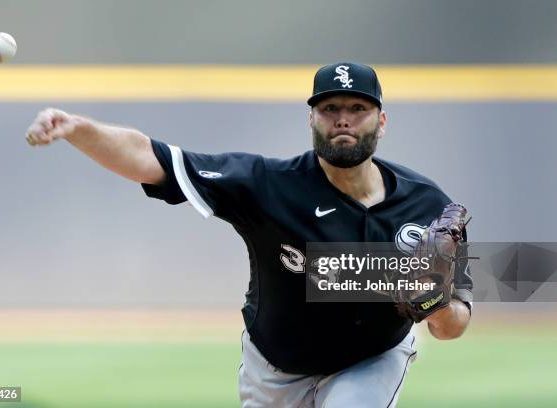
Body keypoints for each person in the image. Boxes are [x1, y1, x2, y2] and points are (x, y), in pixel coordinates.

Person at [26, 62, 473, 407]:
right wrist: (79, 130)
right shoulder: (266, 184)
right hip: (274, 366)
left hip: (372, 357)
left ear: (381, 121)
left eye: (358, 108)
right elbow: (152, 158)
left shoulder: (428, 207)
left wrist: (432, 304)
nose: (343, 119)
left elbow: (453, 328)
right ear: (312, 120)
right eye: (330, 108)